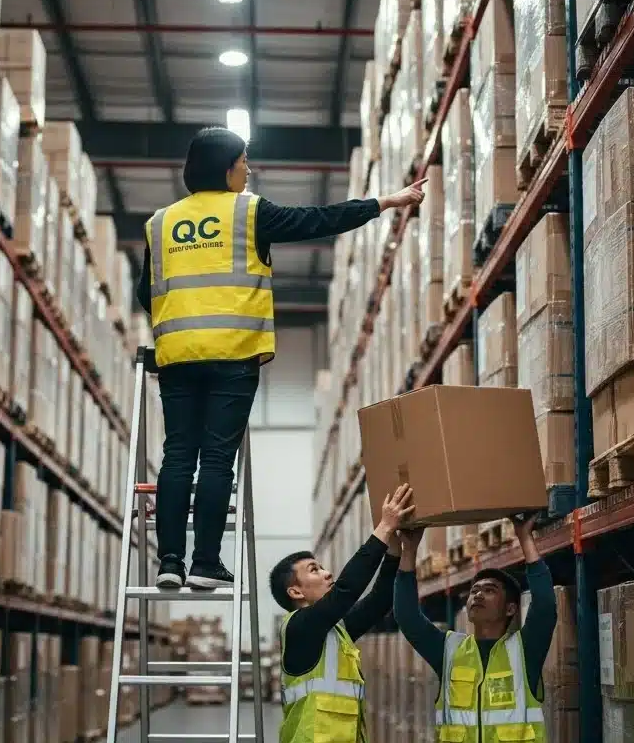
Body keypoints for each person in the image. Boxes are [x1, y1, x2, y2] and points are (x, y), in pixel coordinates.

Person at [137, 126, 428, 590]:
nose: (248, 170)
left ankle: (169, 561)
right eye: (243, 162)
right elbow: (318, 219)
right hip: (232, 355)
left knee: (177, 457)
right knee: (215, 461)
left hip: (177, 357)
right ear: (227, 167)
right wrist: (385, 202)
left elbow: (145, 295)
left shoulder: (159, 223)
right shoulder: (248, 212)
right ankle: (205, 564)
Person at [269, 484, 416, 743]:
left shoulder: (336, 630)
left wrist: (395, 549)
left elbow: (378, 602)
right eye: (314, 570)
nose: (327, 573)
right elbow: (347, 590)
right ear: (295, 592)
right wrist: (383, 528)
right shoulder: (299, 628)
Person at [395, 515, 554, 743]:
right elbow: (407, 616)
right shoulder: (449, 651)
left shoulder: (524, 652)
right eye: (473, 591)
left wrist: (525, 539)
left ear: (510, 609)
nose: (477, 594)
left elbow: (545, 607)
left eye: (489, 590)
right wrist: (408, 551)